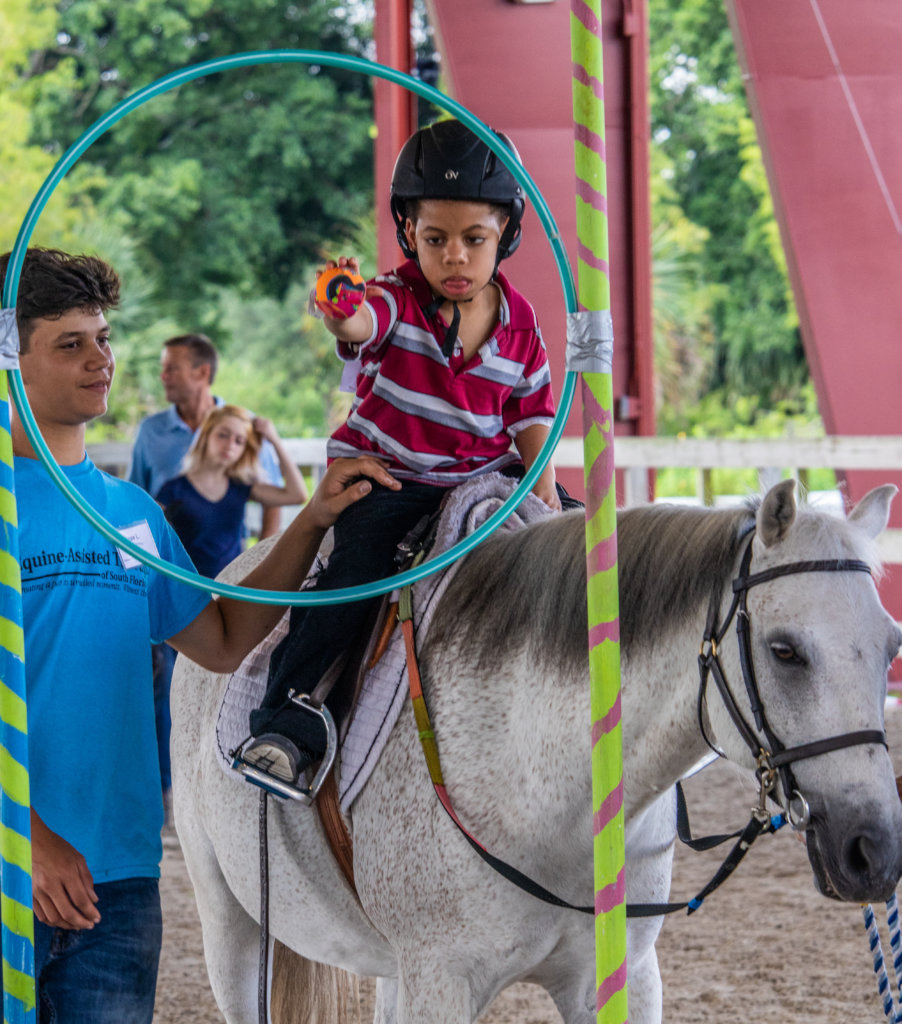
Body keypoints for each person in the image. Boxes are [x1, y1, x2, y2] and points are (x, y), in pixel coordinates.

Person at [0, 246, 398, 1023]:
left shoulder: (132, 514)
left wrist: (312, 522)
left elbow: (221, 638)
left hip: (119, 881)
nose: (100, 359)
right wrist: (30, 839)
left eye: (104, 338)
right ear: (11, 359)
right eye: (70, 343)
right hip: (16, 862)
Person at [239, 119, 578, 790]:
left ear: (506, 235)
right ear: (408, 237)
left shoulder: (522, 325)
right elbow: (361, 321)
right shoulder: (395, 300)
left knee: (584, 547)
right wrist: (340, 309)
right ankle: (287, 719)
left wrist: (546, 492)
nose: (454, 256)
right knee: (355, 574)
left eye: (473, 240)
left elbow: (533, 414)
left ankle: (595, 698)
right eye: (435, 240)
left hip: (484, 482)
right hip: (392, 482)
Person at [128, 333, 285, 798]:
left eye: (172, 367)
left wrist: (260, 561)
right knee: (168, 681)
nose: (164, 376)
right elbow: (138, 505)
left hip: (229, 581)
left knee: (230, 675)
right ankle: (167, 784)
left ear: (202, 372)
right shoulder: (152, 433)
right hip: (173, 578)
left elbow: (271, 494)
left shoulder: (234, 425)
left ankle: (225, 774)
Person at [157, 404, 308, 579]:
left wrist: (273, 439)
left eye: (239, 441)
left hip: (231, 586)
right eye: (223, 435)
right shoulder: (174, 489)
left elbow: (298, 495)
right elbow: (151, 532)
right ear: (206, 436)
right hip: (189, 586)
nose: (230, 445)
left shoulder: (241, 486)